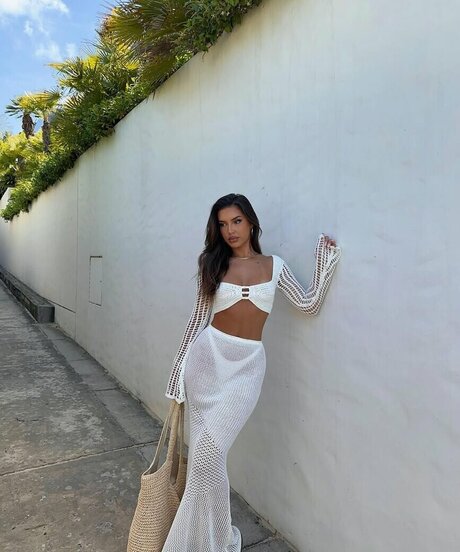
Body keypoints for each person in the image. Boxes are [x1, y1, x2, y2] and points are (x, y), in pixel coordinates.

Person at [162, 193, 341, 552]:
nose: (230, 230)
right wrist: (176, 375)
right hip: (206, 362)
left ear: (251, 222)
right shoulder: (212, 264)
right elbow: (197, 320)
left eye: (237, 221)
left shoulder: (275, 266)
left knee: (209, 454)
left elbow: (308, 304)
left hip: (246, 368)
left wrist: (324, 264)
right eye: (223, 224)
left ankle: (208, 540)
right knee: (206, 461)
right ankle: (213, 540)